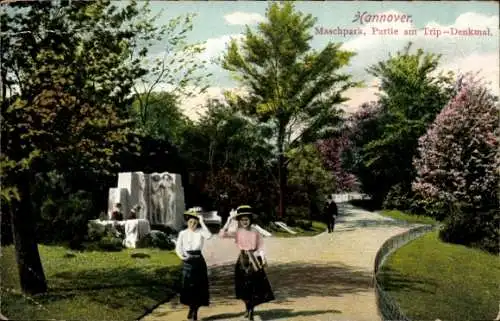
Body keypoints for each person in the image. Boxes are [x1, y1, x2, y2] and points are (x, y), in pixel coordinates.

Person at [219, 205, 275, 320]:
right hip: (242, 259)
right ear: (239, 220)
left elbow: (261, 246)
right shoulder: (237, 232)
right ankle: (247, 306)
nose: (245, 222)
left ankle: (251, 310)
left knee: (253, 285)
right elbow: (222, 235)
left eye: (247, 219)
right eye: (242, 219)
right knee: (243, 286)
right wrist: (229, 220)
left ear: (250, 219)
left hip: (254, 259)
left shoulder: (255, 232)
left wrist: (262, 257)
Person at [175, 207, 212, 321]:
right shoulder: (182, 233)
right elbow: (178, 248)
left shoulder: (200, 232)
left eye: (195, 222)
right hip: (187, 261)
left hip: (198, 261)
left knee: (198, 287)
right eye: (191, 222)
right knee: (188, 287)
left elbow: (209, 236)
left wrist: (202, 222)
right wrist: (183, 257)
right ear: (187, 222)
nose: (193, 224)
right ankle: (191, 307)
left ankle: (195, 311)